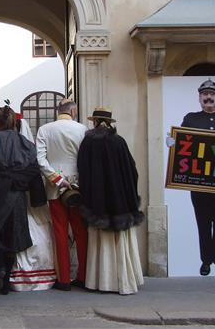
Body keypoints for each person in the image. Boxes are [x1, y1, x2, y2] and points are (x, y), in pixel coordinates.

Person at [0, 114, 57, 291]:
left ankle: (0, 268)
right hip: (17, 196)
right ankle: (6, 276)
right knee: (12, 235)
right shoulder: (26, 144)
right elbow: (32, 171)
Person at [176, 79, 215, 276]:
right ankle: (205, 261)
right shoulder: (191, 118)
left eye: (212, 94)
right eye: (205, 94)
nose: (208, 97)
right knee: (203, 223)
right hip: (200, 183)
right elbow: (183, 147)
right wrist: (174, 142)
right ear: (200, 98)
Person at [77, 107, 144, 294]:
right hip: (121, 200)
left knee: (101, 240)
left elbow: (83, 171)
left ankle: (103, 281)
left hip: (97, 201)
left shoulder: (88, 142)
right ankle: (125, 280)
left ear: (94, 122)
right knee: (121, 239)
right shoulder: (119, 141)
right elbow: (133, 170)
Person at [36, 99, 88, 291]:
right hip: (78, 187)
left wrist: (57, 179)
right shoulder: (83, 129)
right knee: (81, 232)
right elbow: (86, 159)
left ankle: (64, 279)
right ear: (73, 111)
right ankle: (83, 276)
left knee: (60, 232)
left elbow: (40, 160)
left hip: (55, 188)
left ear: (59, 111)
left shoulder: (45, 129)